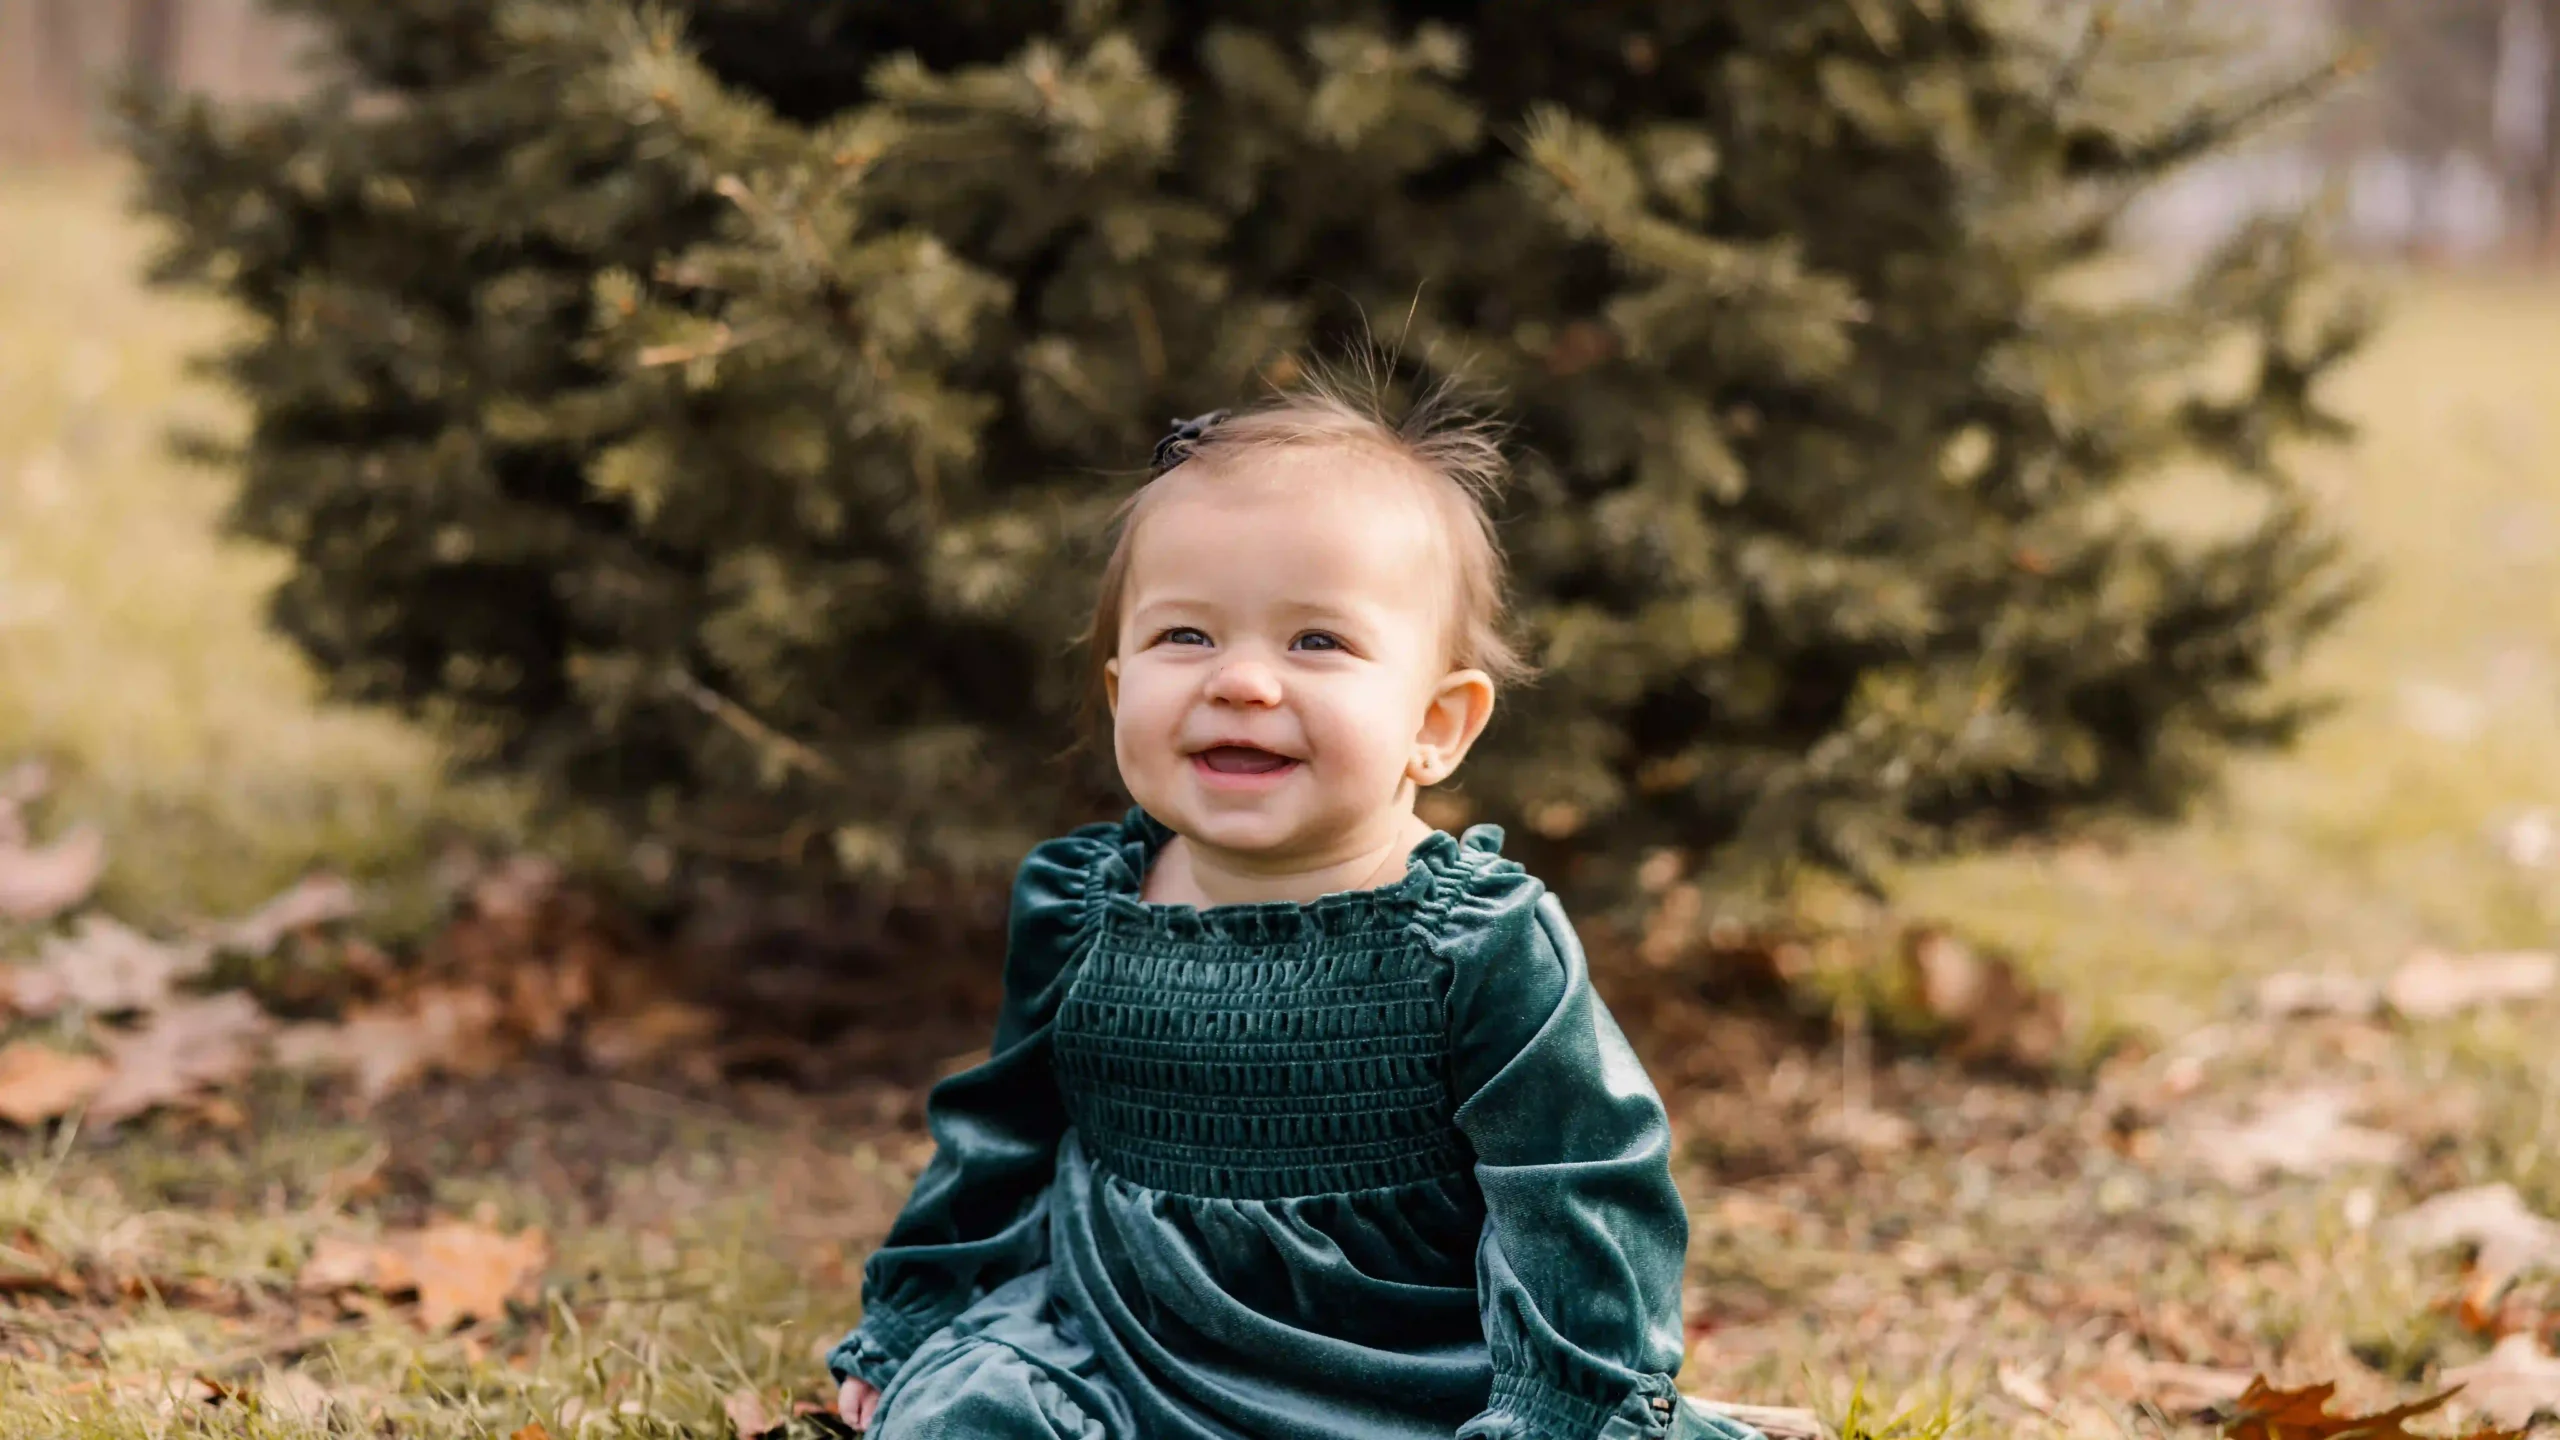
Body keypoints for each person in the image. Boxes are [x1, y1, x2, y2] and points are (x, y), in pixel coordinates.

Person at [826, 369, 1755, 1440]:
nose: (1242, 683)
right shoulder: (1084, 903)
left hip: (1406, 1366)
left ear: (1438, 724)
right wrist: (918, 1313)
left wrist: (1559, 1401)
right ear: (1122, 686)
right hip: (1109, 1341)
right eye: (1186, 637)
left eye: (1316, 641)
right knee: (969, 1419)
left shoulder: (1476, 940)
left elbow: (1579, 1190)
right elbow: (1001, 1135)